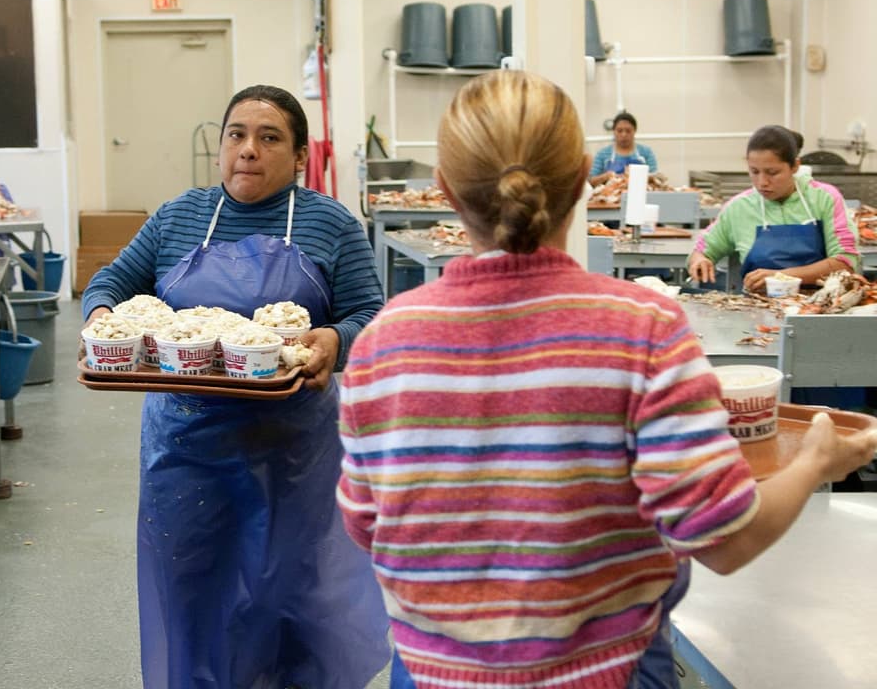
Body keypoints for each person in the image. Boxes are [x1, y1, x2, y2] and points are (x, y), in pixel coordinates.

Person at [335, 70, 877, 689]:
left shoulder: (382, 343)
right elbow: (726, 539)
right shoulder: (642, 327)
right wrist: (815, 461)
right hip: (607, 670)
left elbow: (365, 522)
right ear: (582, 183)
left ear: (445, 189)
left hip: (433, 672)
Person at [80, 85, 390, 688]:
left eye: (269, 138)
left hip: (291, 450)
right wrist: (102, 319)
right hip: (185, 447)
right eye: (236, 135)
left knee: (288, 593)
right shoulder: (179, 217)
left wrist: (335, 339)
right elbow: (111, 281)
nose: (248, 149)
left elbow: (370, 313)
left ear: (298, 156)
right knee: (192, 585)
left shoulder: (329, 223)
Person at [687, 124, 859, 294]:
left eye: (772, 172)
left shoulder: (824, 198)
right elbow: (701, 251)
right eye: (754, 171)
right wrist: (699, 261)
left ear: (795, 166)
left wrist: (781, 277)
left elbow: (845, 262)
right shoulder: (739, 208)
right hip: (756, 306)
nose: (762, 182)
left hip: (822, 303)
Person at [590, 111, 657, 184]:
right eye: (619, 131)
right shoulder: (603, 153)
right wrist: (606, 176)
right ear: (614, 131)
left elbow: (656, 178)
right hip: (611, 190)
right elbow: (591, 181)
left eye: (628, 131)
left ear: (634, 131)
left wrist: (640, 176)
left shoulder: (646, 152)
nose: (624, 135)